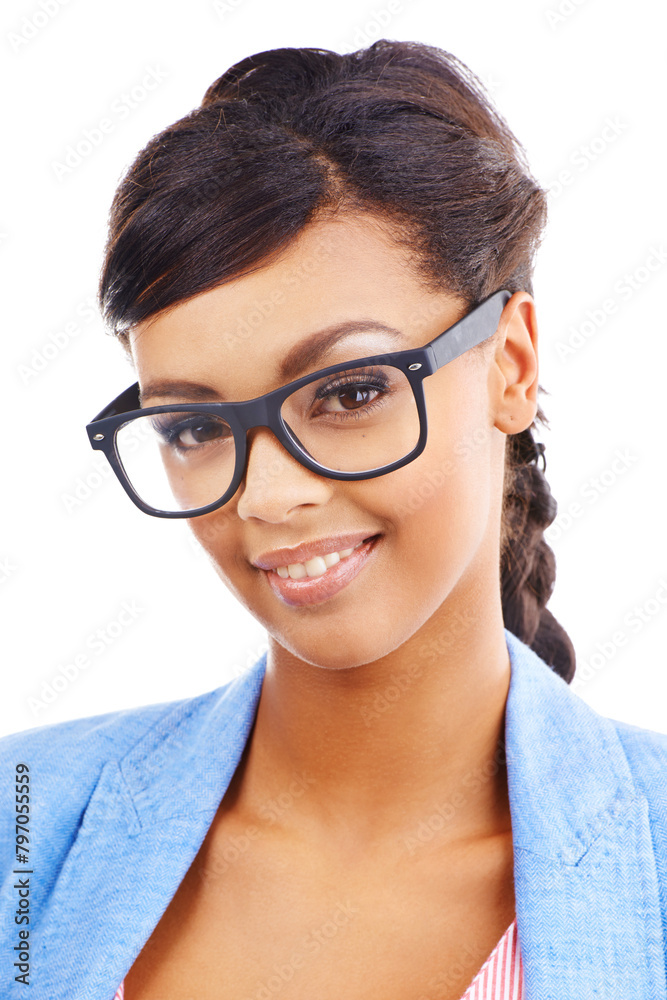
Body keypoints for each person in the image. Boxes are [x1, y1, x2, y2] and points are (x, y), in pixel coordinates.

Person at [1, 39, 666, 1000]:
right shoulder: (27, 822)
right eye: (192, 425)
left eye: (350, 393)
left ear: (511, 365)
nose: (265, 497)